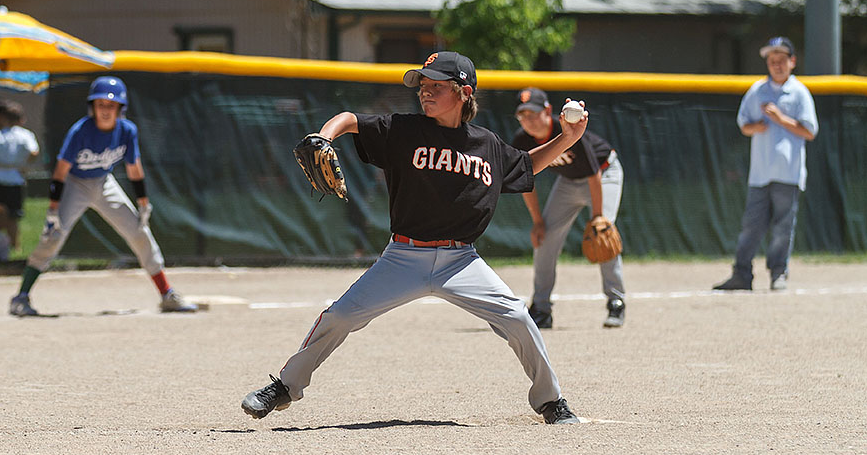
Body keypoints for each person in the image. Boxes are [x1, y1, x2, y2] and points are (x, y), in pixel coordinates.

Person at [241, 51, 589, 424]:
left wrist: (568, 138)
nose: (425, 91)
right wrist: (324, 136)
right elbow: (351, 120)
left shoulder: (486, 144)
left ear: (464, 92)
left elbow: (524, 166)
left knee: (519, 317)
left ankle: (551, 401)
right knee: (339, 315)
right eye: (422, 85)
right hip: (403, 257)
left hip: (462, 262)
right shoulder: (404, 130)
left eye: (436, 85)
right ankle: (285, 386)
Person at [8, 76, 197, 316]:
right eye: (100, 105)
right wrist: (53, 208)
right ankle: (21, 297)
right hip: (75, 184)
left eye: (111, 105)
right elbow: (61, 171)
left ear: (120, 108)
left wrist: (143, 201)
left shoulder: (127, 130)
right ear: (92, 107)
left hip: (104, 183)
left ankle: (166, 294)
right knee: (53, 237)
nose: (105, 110)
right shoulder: (80, 131)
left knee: (139, 232)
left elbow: (134, 168)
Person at [510, 88, 626, 329]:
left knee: (603, 234)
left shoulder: (567, 131)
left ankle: (616, 301)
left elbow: (594, 175)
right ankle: (541, 308)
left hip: (605, 174)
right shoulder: (522, 140)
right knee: (545, 238)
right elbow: (525, 180)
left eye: (533, 113)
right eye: (523, 115)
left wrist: (597, 217)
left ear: (548, 111)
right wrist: (538, 221)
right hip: (568, 182)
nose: (528, 120)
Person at [713, 37, 818, 291]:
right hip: (760, 173)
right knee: (751, 226)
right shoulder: (757, 90)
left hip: (788, 173)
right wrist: (755, 126)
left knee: (783, 228)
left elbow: (810, 131)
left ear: (792, 62)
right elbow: (744, 125)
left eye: (782, 60)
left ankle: (778, 274)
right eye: (772, 61)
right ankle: (741, 275)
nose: (777, 65)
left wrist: (781, 119)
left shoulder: (799, 92)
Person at [0, 100, 40, 250]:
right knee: (13, 217)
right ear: (21, 119)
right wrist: (25, 165)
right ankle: (15, 246)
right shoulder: (25, 135)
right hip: (16, 180)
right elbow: (34, 151)